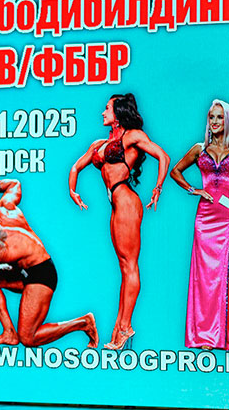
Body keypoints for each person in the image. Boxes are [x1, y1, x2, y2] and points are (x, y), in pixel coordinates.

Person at [0, 179, 97, 347]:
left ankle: (83, 323)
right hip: (25, 271)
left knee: (28, 338)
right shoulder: (4, 209)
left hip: (42, 274)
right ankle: (9, 332)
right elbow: (14, 184)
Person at [68, 94, 170, 350]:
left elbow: (163, 156)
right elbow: (76, 167)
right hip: (115, 204)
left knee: (130, 265)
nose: (103, 113)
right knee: (124, 267)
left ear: (118, 113)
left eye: (107, 108)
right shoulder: (99, 144)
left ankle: (125, 327)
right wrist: (73, 191)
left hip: (126, 200)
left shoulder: (132, 136)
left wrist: (158, 187)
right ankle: (119, 329)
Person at [170, 99, 229, 350]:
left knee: (225, 275)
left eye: (219, 117)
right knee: (206, 277)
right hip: (205, 219)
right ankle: (206, 336)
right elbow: (175, 171)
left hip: (227, 218)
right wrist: (194, 190)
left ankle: (223, 334)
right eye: (211, 117)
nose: (214, 122)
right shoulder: (199, 149)